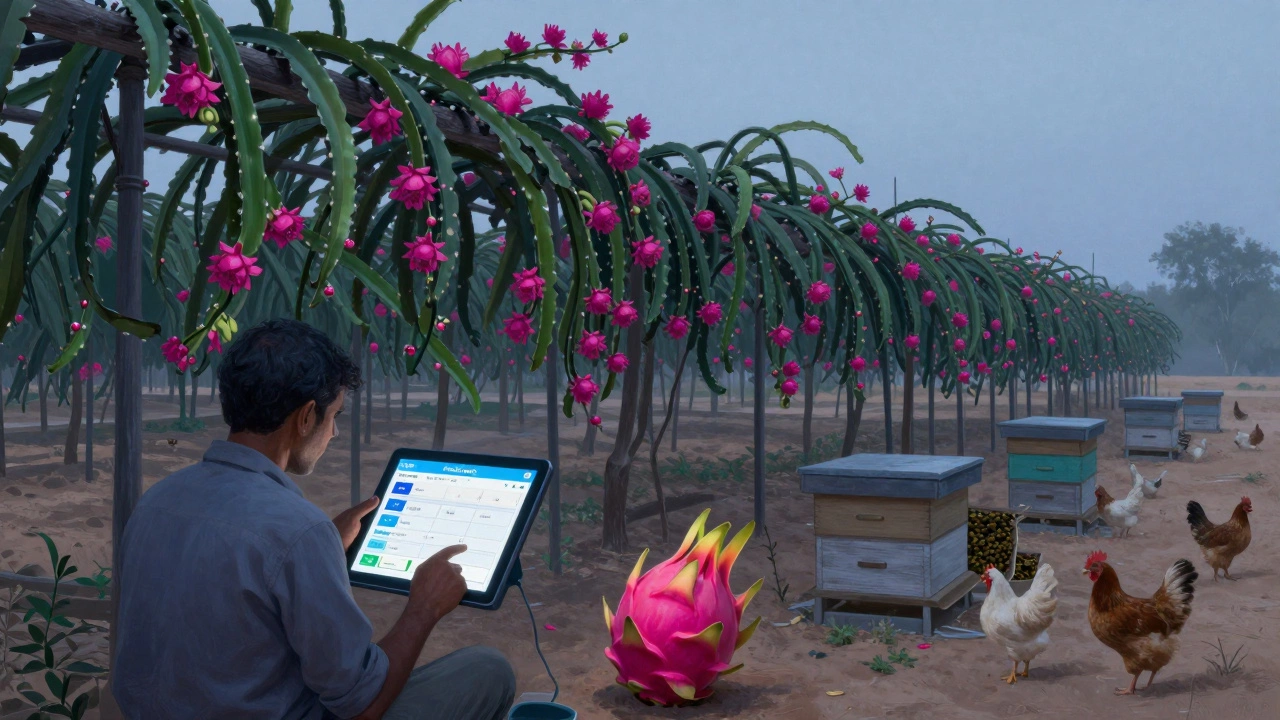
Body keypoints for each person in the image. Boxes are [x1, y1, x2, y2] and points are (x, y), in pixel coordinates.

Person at [112, 319, 516, 720]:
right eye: (334, 415)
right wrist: (424, 607)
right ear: (306, 416)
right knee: (488, 670)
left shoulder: (157, 501)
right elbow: (361, 707)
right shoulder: (297, 530)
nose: (334, 432)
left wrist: (321, 548)